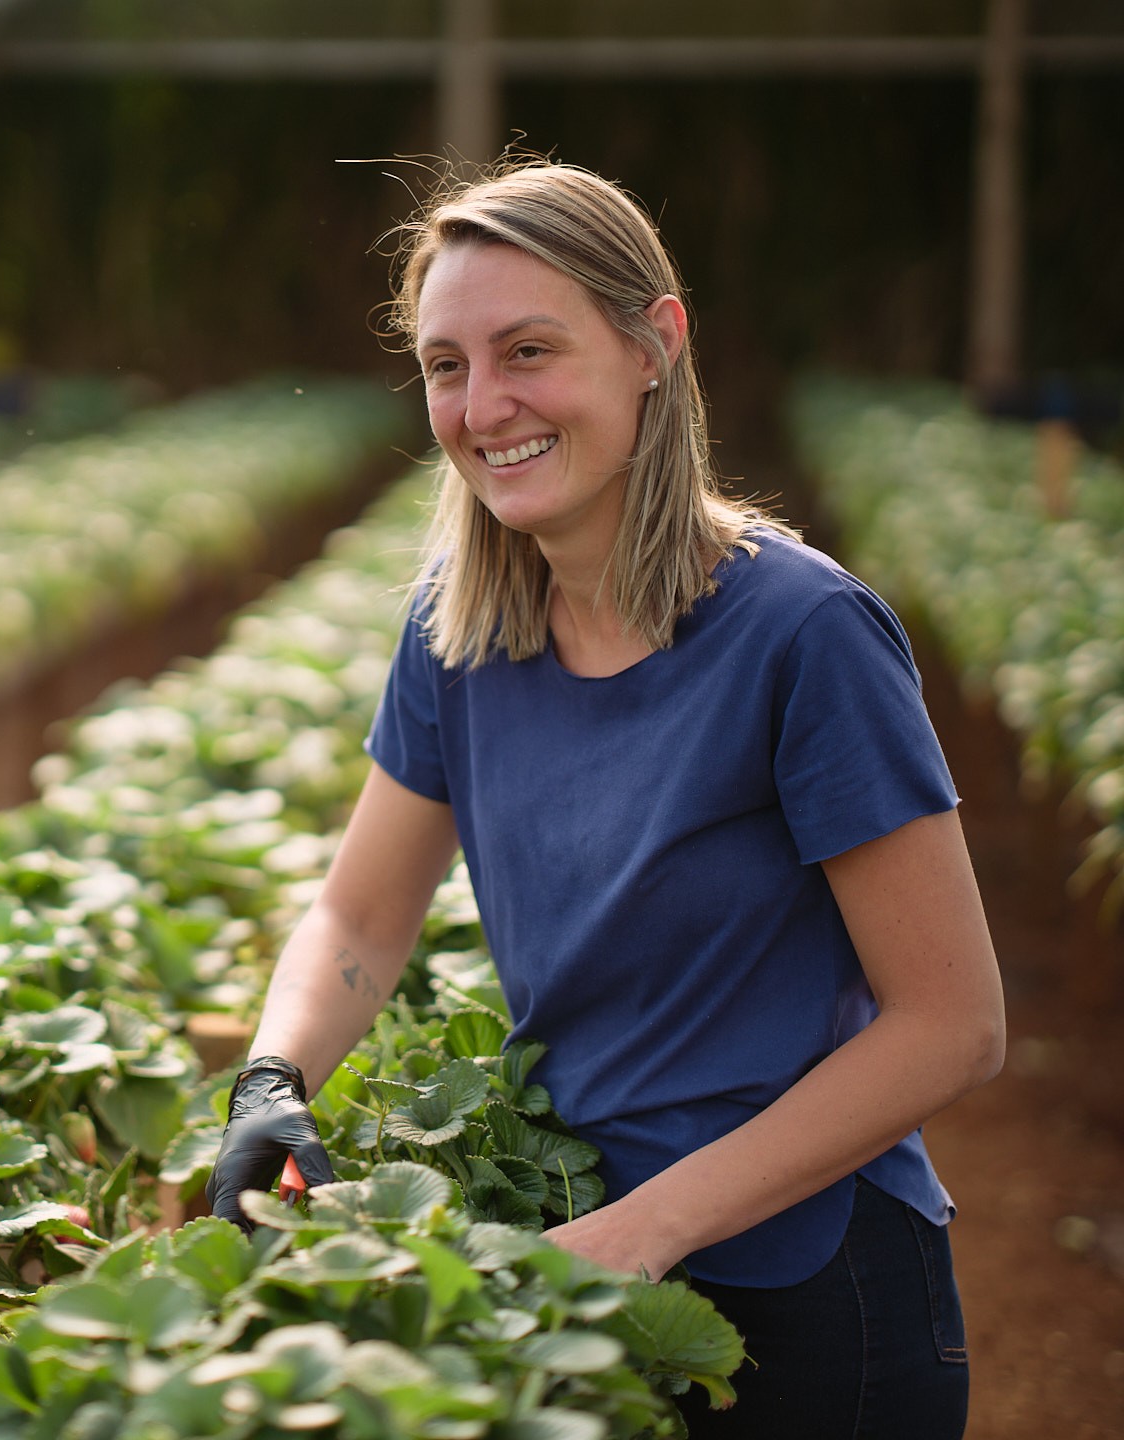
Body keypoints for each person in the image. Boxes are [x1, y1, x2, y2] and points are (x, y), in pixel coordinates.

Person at [204, 162, 1006, 1439]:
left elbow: (952, 1025)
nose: (485, 406)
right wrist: (271, 1079)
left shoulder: (805, 636)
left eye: (529, 351)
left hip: (808, 1290)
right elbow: (360, 918)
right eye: (448, 366)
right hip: (572, 1247)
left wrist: (644, 1231)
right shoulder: (457, 632)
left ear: (653, 347)